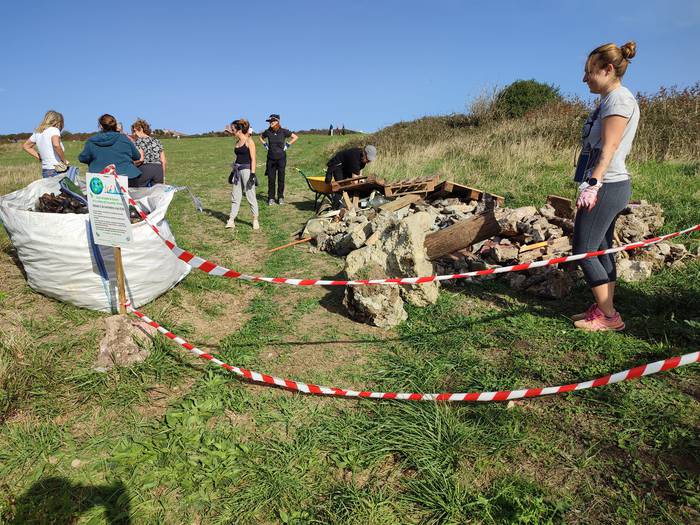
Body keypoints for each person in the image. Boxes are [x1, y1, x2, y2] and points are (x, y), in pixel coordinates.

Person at [570, 41, 639, 332]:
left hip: (607, 184)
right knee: (601, 248)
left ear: (608, 69)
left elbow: (609, 147)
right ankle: (604, 308)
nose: (585, 78)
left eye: (590, 71)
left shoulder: (618, 100)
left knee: (583, 250)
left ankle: (609, 316)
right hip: (606, 183)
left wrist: (594, 183)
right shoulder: (609, 100)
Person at [78, 114, 142, 182]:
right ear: (115, 125)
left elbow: (82, 158)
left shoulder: (92, 141)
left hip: (100, 180)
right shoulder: (124, 138)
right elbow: (137, 156)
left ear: (100, 126)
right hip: (127, 177)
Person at [226, 119, 260, 231]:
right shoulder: (237, 142)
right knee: (235, 196)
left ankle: (255, 220)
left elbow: (253, 159)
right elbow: (237, 158)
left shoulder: (249, 142)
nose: (232, 131)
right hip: (237, 171)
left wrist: (253, 174)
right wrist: (232, 173)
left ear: (239, 130)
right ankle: (231, 220)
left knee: (250, 195)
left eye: (233, 129)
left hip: (247, 171)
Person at [259, 114, 298, 205]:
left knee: (281, 178)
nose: (271, 123)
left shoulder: (284, 131)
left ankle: (280, 197)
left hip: (281, 159)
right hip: (271, 159)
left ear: (277, 122)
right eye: (270, 122)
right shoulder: (268, 132)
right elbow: (260, 137)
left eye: (272, 121)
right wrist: (265, 145)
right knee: (271, 179)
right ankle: (271, 198)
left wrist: (287, 145)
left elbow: (295, 137)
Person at [22, 110, 69, 178]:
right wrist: (64, 160)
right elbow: (56, 145)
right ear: (58, 122)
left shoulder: (38, 132)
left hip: (45, 170)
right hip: (56, 170)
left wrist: (40, 157)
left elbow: (26, 146)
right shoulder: (54, 130)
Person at [131, 118, 167, 186]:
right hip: (158, 170)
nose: (133, 133)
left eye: (134, 131)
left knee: (137, 192)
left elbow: (141, 159)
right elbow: (163, 161)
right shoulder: (157, 141)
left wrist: (132, 163)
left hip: (145, 168)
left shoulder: (139, 141)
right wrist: (163, 177)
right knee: (156, 194)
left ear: (141, 129)